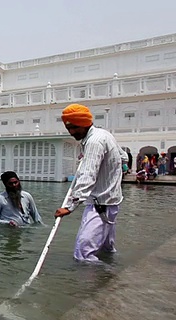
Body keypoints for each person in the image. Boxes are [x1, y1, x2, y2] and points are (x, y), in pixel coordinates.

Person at [54, 104, 128, 262]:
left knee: (83, 253)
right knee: (106, 249)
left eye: (74, 127)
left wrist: (69, 207)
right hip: (112, 202)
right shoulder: (104, 135)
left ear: (84, 123)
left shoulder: (94, 142)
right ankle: (109, 275)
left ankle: (90, 283)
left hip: (100, 204)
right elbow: (124, 158)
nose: (71, 132)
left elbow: (87, 176)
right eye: (69, 128)